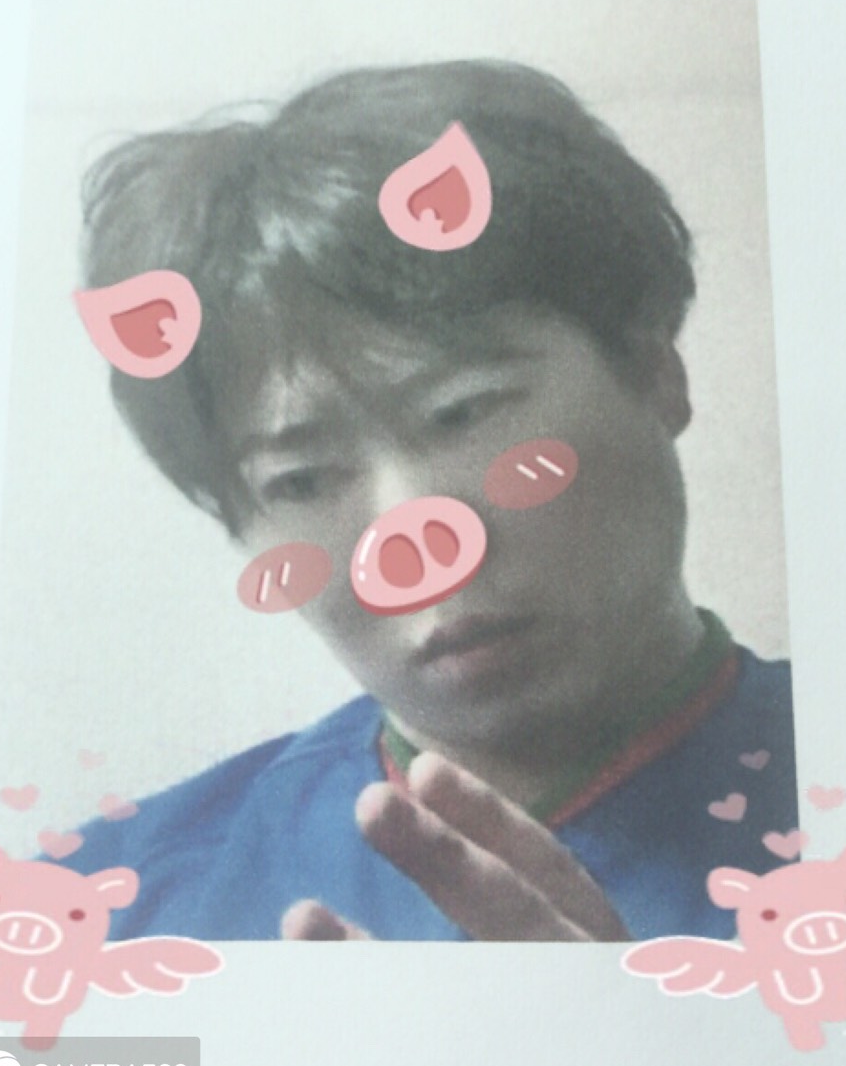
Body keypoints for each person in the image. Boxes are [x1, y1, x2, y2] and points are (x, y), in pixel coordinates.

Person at [60, 59, 798, 942]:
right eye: (301, 480)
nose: (416, 545)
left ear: (653, 374)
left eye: (464, 413)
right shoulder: (102, 913)